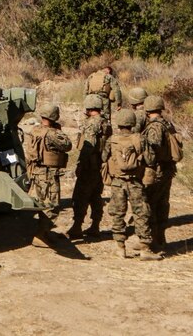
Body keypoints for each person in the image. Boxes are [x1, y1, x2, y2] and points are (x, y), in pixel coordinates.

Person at [104, 108, 162, 259]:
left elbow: (104, 157)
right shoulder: (140, 139)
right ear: (132, 123)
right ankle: (144, 249)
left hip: (117, 182)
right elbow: (150, 159)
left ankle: (119, 247)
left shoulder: (112, 139)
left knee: (117, 213)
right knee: (141, 213)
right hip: (135, 182)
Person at [25, 103, 72, 244]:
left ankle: (43, 231)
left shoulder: (35, 130)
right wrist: (58, 131)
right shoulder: (52, 134)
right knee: (52, 205)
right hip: (48, 173)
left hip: (37, 172)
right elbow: (67, 145)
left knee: (42, 202)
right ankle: (41, 235)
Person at [143, 94, 182, 252]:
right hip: (168, 169)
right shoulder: (168, 123)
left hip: (158, 169)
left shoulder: (155, 126)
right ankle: (161, 238)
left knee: (151, 203)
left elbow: (153, 148)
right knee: (163, 203)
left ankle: (154, 241)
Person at [67, 95, 110, 240]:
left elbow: (88, 146)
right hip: (100, 164)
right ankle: (95, 226)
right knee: (95, 196)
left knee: (81, 196)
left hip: (89, 165)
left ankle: (77, 227)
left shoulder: (92, 123)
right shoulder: (105, 122)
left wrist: (80, 164)